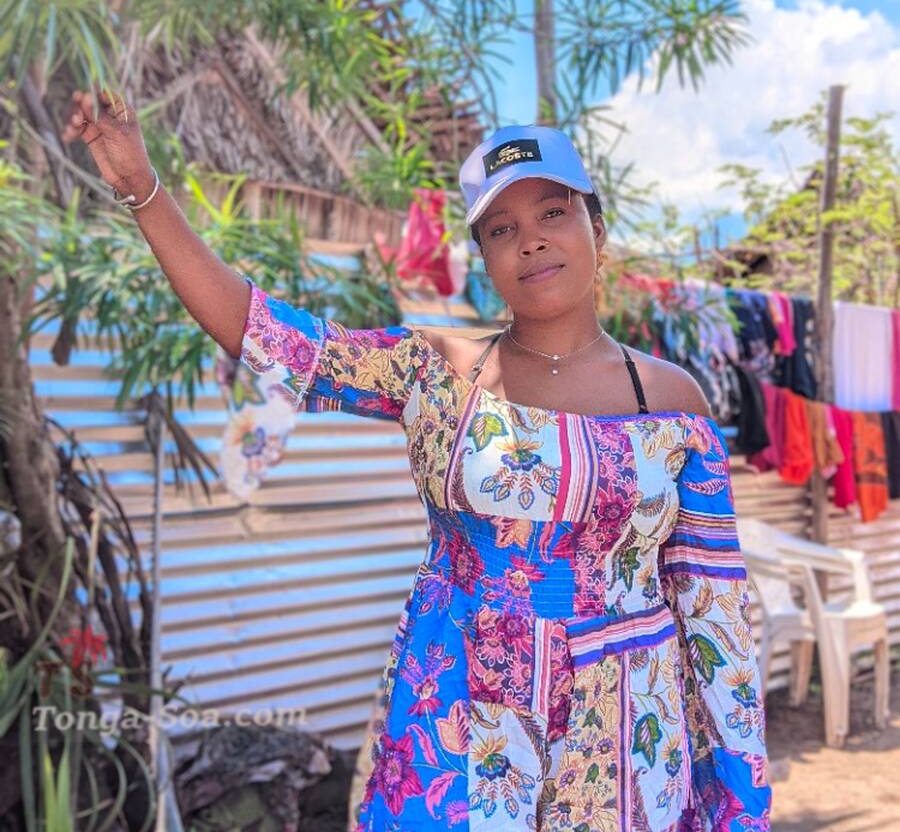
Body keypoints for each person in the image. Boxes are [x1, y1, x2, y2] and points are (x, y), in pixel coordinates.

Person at [63, 96, 770, 831]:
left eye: (553, 214)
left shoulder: (670, 401)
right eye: (502, 229)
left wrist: (737, 805)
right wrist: (143, 188)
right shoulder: (433, 373)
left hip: (627, 736)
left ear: (596, 228)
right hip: (465, 727)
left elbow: (715, 620)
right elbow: (266, 335)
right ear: (484, 257)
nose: (531, 241)